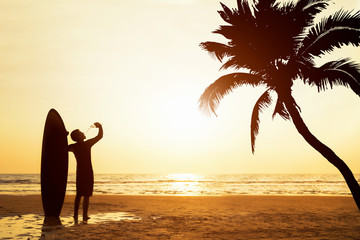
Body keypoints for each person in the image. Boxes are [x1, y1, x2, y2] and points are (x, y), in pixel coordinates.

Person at [68, 122, 103, 221]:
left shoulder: (74, 146)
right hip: (87, 172)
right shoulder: (87, 143)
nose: (83, 132)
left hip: (81, 172)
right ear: (78, 137)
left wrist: (63, 135)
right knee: (85, 195)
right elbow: (100, 136)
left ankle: (76, 215)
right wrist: (100, 126)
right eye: (80, 133)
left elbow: (62, 147)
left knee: (80, 194)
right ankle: (83, 216)